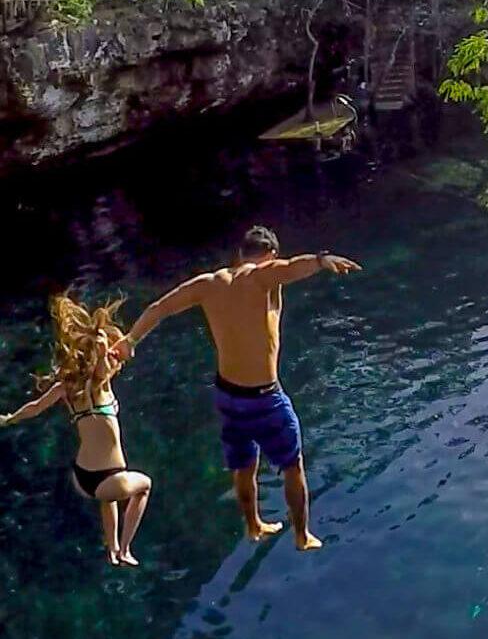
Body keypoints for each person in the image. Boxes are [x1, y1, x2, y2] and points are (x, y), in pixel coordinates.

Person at [113, 226, 361, 551]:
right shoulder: (262, 276)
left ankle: (253, 525)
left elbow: (159, 308)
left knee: (244, 465)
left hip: (227, 396)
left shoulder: (209, 283)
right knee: (292, 465)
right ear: (270, 254)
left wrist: (130, 340)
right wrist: (321, 259)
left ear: (239, 254)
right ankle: (302, 536)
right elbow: (291, 268)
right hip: (264, 398)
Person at [0, 295, 152, 567]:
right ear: (96, 360)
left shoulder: (72, 390)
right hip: (107, 481)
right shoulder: (93, 389)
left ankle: (113, 549)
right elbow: (103, 363)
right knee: (144, 487)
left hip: (85, 476)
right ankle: (126, 548)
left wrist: (10, 418)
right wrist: (109, 347)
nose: (113, 363)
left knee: (109, 500)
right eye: (106, 358)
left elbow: (34, 407)